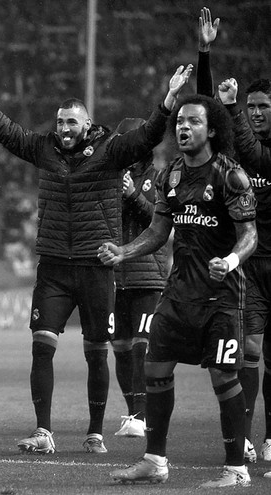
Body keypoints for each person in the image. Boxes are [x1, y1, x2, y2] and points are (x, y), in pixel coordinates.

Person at [0, 57, 191, 454]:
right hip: (53, 265)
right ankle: (43, 432)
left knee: (95, 353)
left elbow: (148, 136)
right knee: (42, 345)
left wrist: (170, 98)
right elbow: (2, 128)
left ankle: (94, 433)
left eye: (71, 122)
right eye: (59, 122)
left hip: (94, 267)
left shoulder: (111, 151)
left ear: (86, 125)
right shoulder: (43, 149)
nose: (64, 129)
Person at [103, 93, 256, 488]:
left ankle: (236, 468)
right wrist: (124, 251)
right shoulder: (171, 174)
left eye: (193, 122)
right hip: (177, 293)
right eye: (180, 122)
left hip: (221, 296)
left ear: (212, 130)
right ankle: (154, 460)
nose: (183, 127)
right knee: (154, 369)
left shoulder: (230, 175)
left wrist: (232, 261)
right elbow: (158, 231)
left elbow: (249, 234)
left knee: (224, 379)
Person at [199, 6, 271, 468]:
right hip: (248, 264)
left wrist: (234, 108)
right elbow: (205, 113)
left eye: (264, 108)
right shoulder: (235, 139)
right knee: (248, 350)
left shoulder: (254, 149)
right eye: (253, 109)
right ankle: (243, 438)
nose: (258, 114)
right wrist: (205, 53)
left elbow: (250, 150)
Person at [110, 118, 168, 438]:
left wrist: (132, 194)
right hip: (116, 274)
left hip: (148, 274)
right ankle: (132, 411)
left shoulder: (159, 178)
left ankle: (140, 416)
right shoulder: (110, 177)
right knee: (119, 347)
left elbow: (159, 222)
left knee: (140, 347)